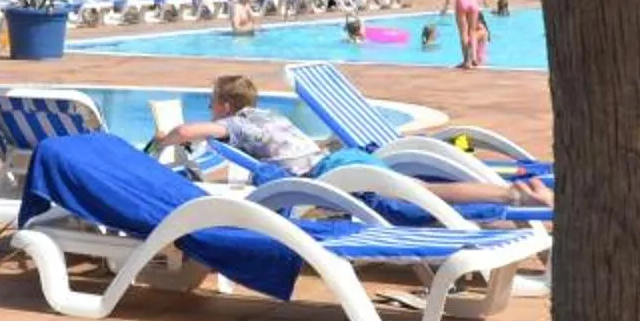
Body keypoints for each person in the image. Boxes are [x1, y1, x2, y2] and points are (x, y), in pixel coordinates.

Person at [153, 73, 552, 207]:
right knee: (421, 188)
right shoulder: (267, 115)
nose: (208, 110)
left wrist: (163, 138)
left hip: (332, 177)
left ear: (224, 106)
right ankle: (511, 192)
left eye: (210, 104)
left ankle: (511, 196)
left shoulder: (237, 125)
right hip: (338, 162)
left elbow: (189, 133)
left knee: (418, 196)